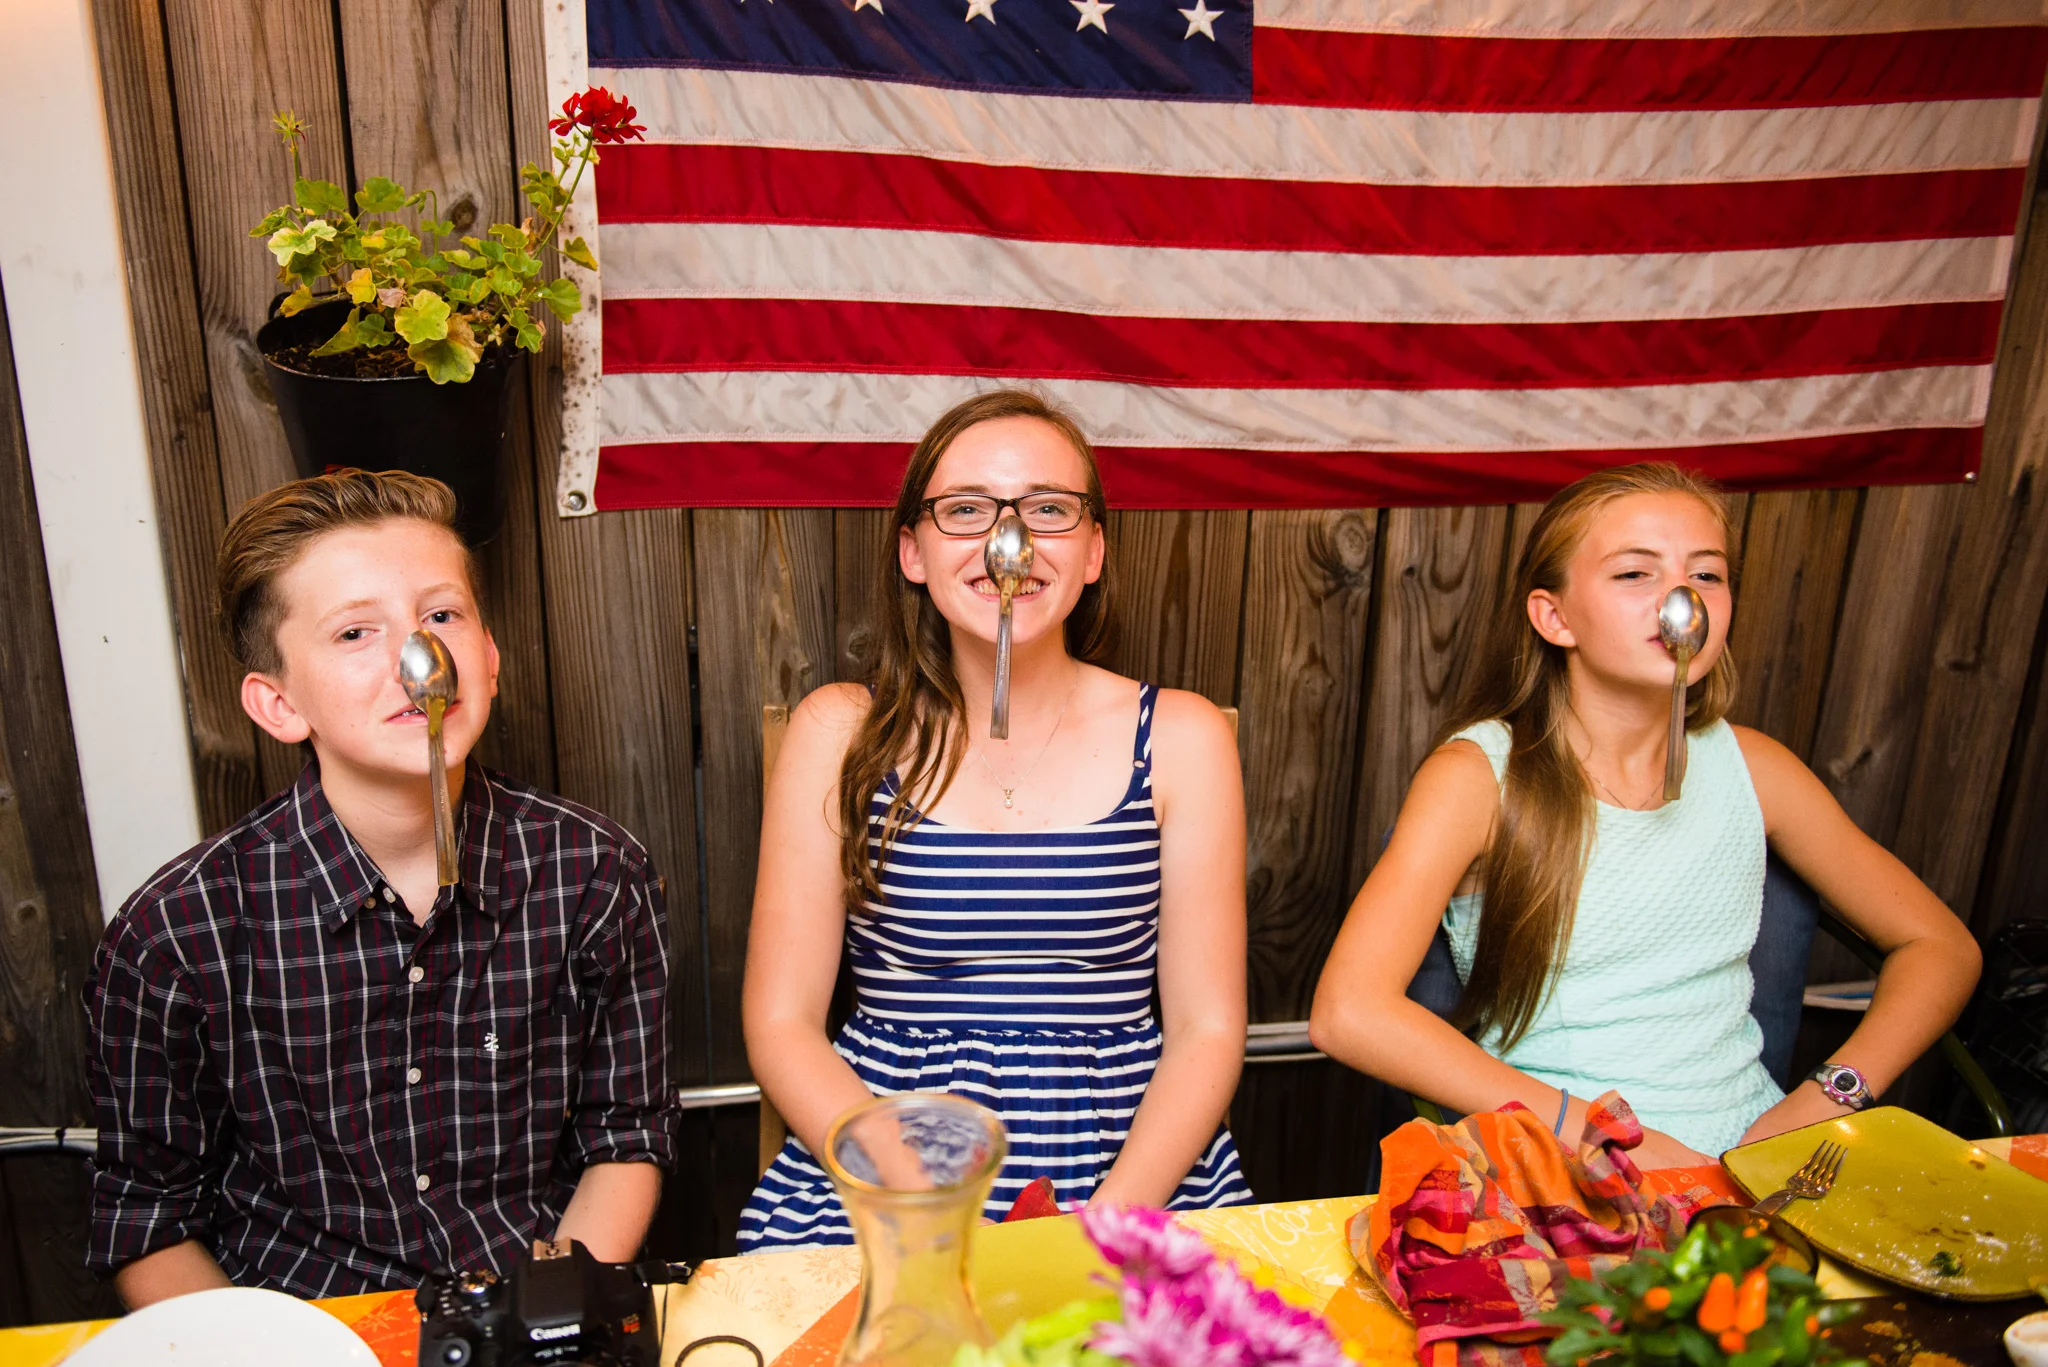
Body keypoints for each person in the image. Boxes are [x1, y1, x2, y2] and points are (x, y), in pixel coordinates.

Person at [86, 470, 677, 1306]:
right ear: (279, 703)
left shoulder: (596, 872)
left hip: (533, 1288)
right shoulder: (173, 933)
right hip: (295, 1319)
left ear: (488, 658)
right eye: (356, 631)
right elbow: (149, 1218)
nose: (417, 655)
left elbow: (625, 1135)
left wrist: (536, 1321)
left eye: (442, 616)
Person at [1308, 462, 1981, 1164]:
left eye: (1707, 574)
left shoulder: (1759, 770)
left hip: (1764, 1160)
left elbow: (1942, 947)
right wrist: (1598, 1133)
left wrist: (1828, 1096)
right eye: (1635, 573)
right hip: (1564, 1163)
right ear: (1555, 617)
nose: (1680, 598)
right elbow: (1348, 1011)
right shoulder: (1476, 778)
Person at [739, 389, 1253, 1248]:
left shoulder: (1180, 738)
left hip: (1133, 1165)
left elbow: (1208, 1029)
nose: (1006, 538)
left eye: (1047, 509)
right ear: (913, 551)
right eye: (966, 509)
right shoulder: (837, 733)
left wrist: (1103, 1227)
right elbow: (781, 1023)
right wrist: (918, 1199)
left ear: (1093, 551)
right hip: (886, 1161)